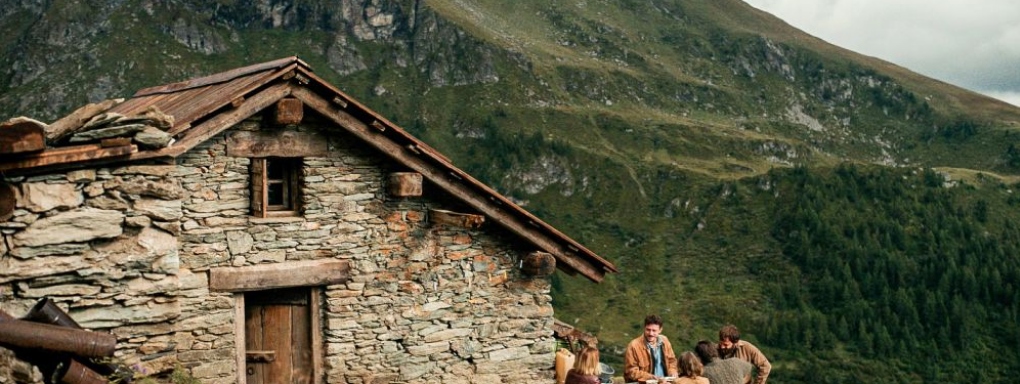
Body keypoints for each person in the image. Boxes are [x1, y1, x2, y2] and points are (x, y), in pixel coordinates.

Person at [624, 315, 678, 382]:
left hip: (665, 381)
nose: (651, 333)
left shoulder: (665, 340)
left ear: (660, 330)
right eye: (648, 330)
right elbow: (630, 372)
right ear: (644, 328)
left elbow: (672, 360)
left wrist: (672, 371)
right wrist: (650, 377)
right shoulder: (633, 346)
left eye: (654, 330)